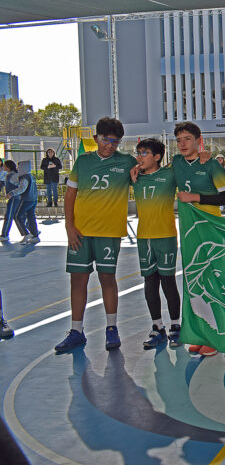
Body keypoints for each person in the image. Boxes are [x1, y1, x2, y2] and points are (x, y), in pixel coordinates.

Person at [54, 117, 138, 353]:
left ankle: (111, 328)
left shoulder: (127, 162)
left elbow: (148, 170)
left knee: (107, 278)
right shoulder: (83, 162)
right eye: (106, 140)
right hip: (80, 232)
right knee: (78, 280)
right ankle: (76, 331)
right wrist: (69, 227)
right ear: (96, 139)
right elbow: (70, 195)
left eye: (115, 142)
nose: (110, 146)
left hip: (109, 233)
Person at [171, 121, 225, 357]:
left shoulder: (211, 165)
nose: (182, 144)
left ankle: (217, 339)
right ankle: (201, 334)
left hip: (211, 231)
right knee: (195, 283)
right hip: (189, 231)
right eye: (178, 140)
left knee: (213, 282)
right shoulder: (176, 162)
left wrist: (194, 197)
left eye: (187, 139)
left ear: (199, 141)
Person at [133, 138, 182, 349]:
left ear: (157, 157)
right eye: (138, 153)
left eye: (144, 153)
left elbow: (188, 163)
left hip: (166, 236)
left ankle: (176, 327)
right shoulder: (135, 177)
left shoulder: (169, 175)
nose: (139, 157)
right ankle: (157, 327)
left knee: (168, 281)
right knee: (150, 283)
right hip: (144, 238)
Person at [9, 160, 40, 244]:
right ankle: (35, 235)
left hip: (26, 199)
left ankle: (26, 234)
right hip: (33, 199)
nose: (18, 169)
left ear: (23, 167)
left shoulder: (24, 177)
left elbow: (22, 188)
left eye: (19, 167)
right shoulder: (31, 176)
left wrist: (12, 193)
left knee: (17, 216)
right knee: (31, 217)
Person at [1, 160, 21, 242]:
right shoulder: (9, 175)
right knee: (19, 217)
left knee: (8, 216)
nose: (3, 167)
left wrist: (11, 193)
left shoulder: (12, 176)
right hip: (15, 198)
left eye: (4, 166)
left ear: (8, 167)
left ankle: (5, 234)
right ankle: (33, 232)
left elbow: (19, 186)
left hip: (14, 198)